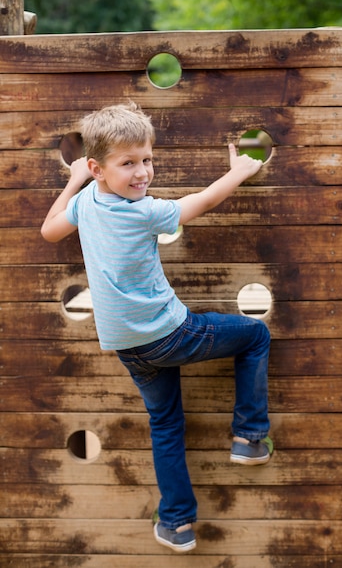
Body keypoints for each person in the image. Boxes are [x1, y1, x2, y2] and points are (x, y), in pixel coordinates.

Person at [41, 103, 272, 553]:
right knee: (255, 335)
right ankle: (249, 436)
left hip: (128, 346)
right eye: (128, 163)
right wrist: (240, 170)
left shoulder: (86, 202)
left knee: (165, 423)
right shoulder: (143, 212)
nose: (142, 172)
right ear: (99, 167)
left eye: (147, 159)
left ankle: (177, 524)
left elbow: (49, 230)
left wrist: (73, 182)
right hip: (172, 334)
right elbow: (199, 203)